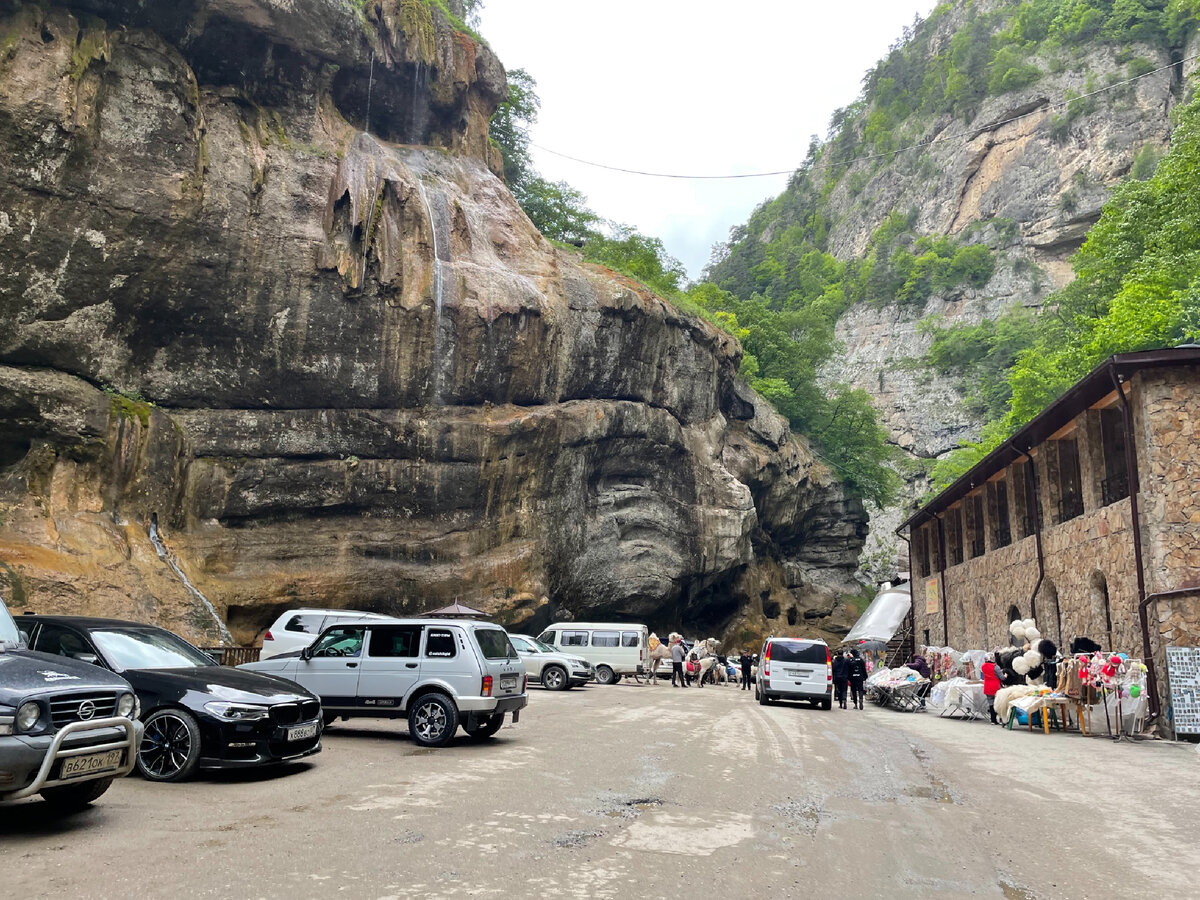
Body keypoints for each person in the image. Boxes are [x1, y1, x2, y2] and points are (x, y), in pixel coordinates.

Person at [982, 652, 1001, 725]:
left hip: (987, 686)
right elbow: (1001, 677)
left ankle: (993, 720)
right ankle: (999, 719)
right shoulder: (996, 667)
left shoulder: (983, 666)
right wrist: (1005, 675)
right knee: (997, 703)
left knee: (991, 703)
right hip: (995, 686)